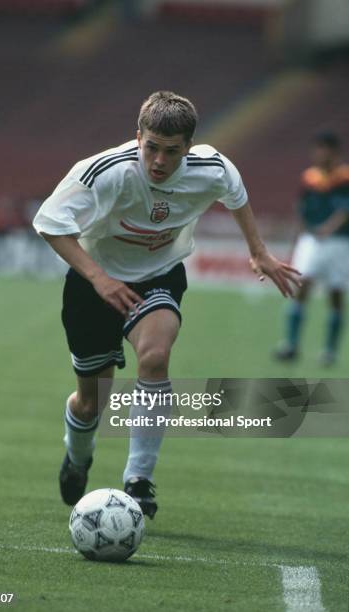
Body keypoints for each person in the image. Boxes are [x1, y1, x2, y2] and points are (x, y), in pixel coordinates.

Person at [33, 91, 300, 518]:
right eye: (151, 147)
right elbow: (48, 222)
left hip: (159, 277)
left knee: (155, 358)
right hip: (93, 284)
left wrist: (258, 250)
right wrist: (99, 279)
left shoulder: (210, 168)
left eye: (172, 151)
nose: (159, 160)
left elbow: (235, 192)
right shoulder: (105, 171)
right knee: (91, 402)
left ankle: (138, 480)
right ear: (137, 136)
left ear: (188, 148)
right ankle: (78, 456)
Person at [275, 132, 349, 366]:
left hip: (338, 242)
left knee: (335, 293)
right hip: (311, 240)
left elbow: (345, 210)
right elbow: (302, 208)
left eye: (323, 149)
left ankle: (329, 351)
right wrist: (299, 236)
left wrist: (328, 228)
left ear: (334, 152)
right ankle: (291, 344)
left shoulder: (344, 178)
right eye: (316, 149)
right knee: (302, 286)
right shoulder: (310, 178)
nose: (318, 154)